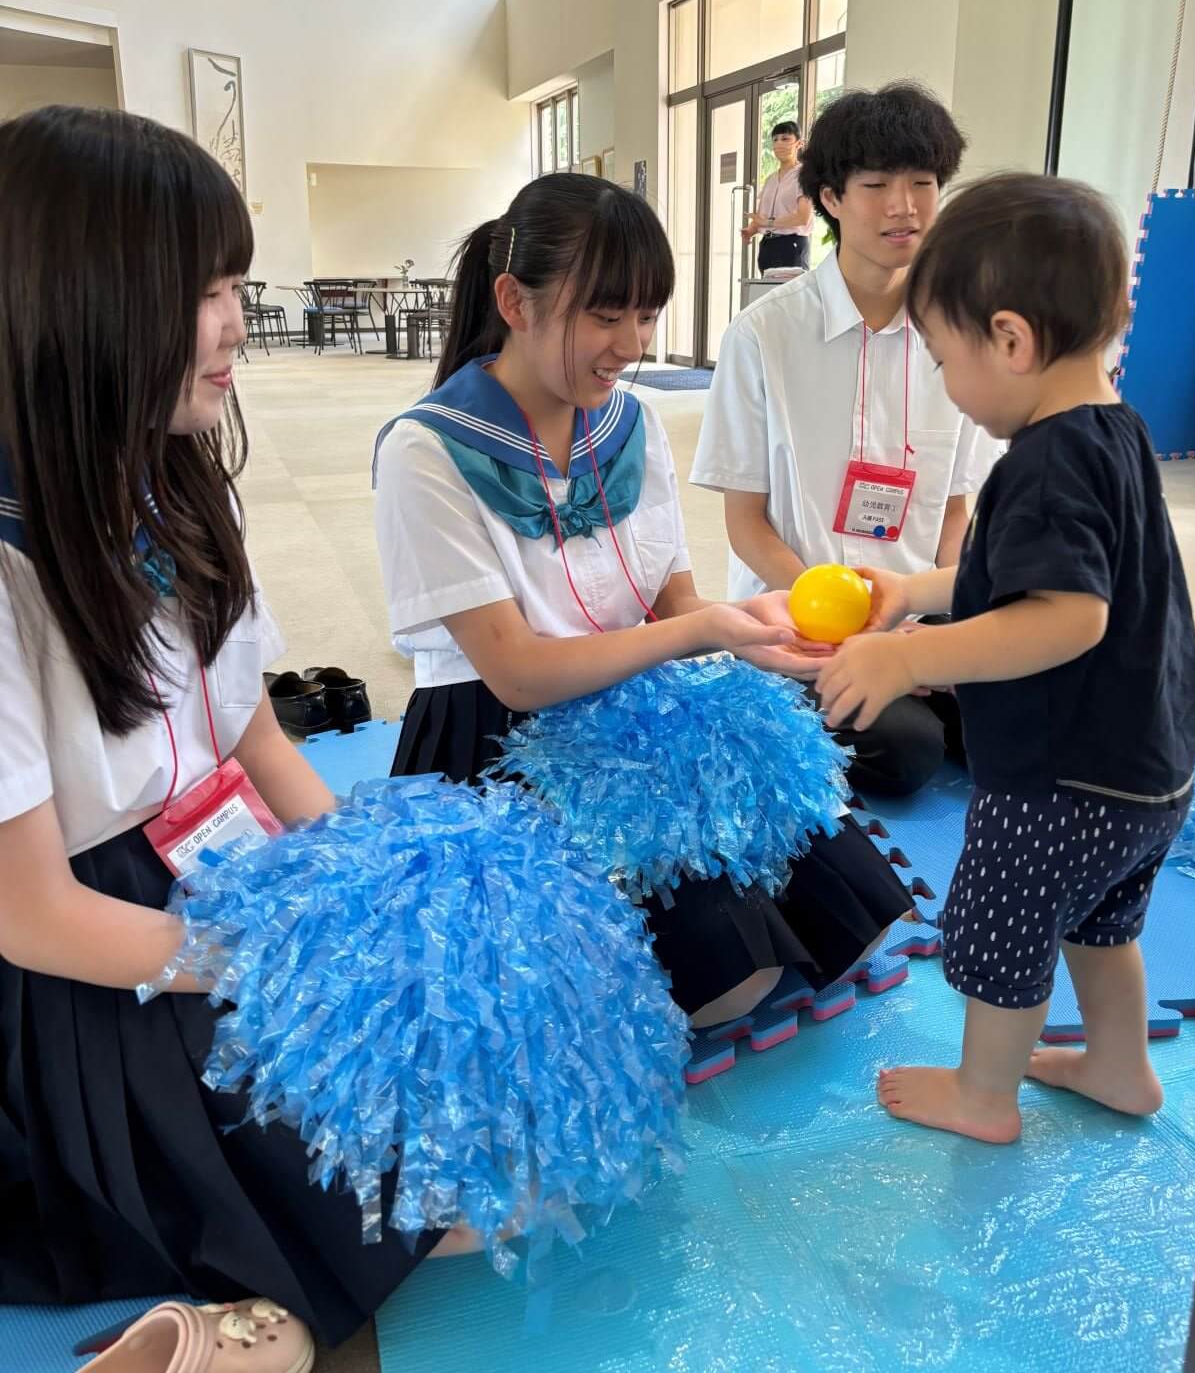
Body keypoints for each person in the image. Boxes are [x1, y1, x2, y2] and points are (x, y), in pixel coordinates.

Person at [0, 106, 483, 1352]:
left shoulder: (172, 486)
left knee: (473, 1096)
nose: (236, 325)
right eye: (204, 292)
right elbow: (32, 914)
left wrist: (368, 882)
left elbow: (258, 739)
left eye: (234, 286)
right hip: (101, 959)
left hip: (226, 872)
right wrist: (272, 957)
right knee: (414, 1188)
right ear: (81, 302)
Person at [374, 172, 912, 1030]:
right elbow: (515, 673)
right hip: (501, 734)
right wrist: (704, 631)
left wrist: (747, 631)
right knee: (728, 986)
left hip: (636, 698)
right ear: (514, 302)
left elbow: (672, 596)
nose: (631, 343)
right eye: (604, 315)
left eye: (647, 315)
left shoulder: (630, 422)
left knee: (860, 921)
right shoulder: (427, 449)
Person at [816, 172, 1195, 1143]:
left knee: (1000, 931)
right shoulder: (1113, 433)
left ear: (1012, 340)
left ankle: (983, 1096)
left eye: (946, 360)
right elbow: (1019, 576)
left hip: (1059, 782)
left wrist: (909, 661)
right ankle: (1120, 1066)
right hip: (1149, 774)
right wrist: (915, 591)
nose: (947, 384)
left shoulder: (1042, 463)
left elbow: (1065, 616)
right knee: (1101, 926)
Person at [691, 81, 1003, 797]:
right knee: (907, 750)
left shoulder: (961, 332)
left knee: (1030, 712)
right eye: (876, 185)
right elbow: (745, 524)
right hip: (802, 618)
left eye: (922, 183)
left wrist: (947, 634)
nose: (904, 206)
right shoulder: (763, 337)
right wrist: (840, 630)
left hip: (916, 608)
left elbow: (955, 515)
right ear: (830, 197)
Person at [741, 119, 814, 274]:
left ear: (799, 144)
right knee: (766, 288)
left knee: (790, 289)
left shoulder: (804, 175)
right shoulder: (770, 180)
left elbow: (803, 218)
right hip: (768, 246)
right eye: (775, 140)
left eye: (785, 139)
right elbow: (762, 217)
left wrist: (769, 222)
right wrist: (750, 230)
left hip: (791, 245)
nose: (779, 144)